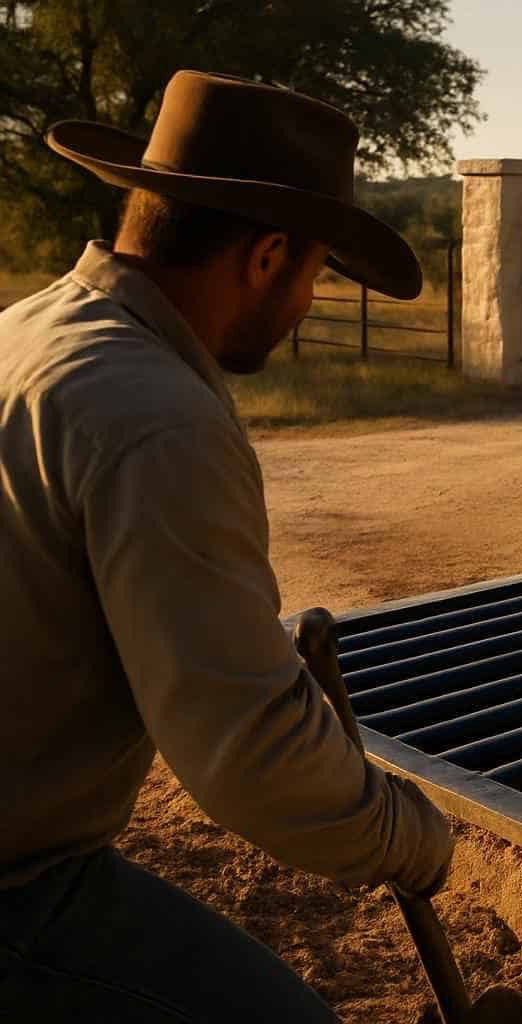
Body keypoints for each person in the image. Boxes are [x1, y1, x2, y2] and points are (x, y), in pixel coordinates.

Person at [0, 71, 454, 1021]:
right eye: (318, 271)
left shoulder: (28, 331)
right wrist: (411, 837)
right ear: (268, 254)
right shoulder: (158, 415)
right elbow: (252, 759)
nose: (309, 301)